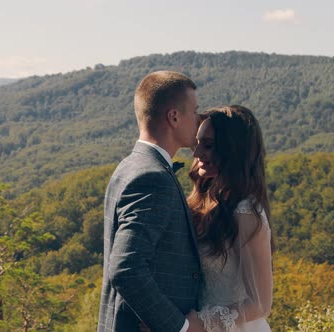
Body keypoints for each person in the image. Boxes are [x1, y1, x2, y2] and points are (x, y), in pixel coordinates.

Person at [98, 71, 206, 332]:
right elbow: (126, 268)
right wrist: (179, 327)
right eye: (195, 111)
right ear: (174, 117)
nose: (199, 119)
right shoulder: (152, 178)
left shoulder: (129, 166)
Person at [188, 105, 273, 331]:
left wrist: (197, 324)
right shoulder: (205, 202)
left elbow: (261, 303)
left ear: (233, 150)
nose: (196, 154)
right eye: (197, 143)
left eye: (208, 145)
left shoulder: (245, 213)